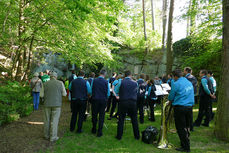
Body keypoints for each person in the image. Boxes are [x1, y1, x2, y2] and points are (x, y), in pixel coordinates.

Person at [168, 69, 194, 152]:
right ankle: (186, 142)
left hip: (180, 107)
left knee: (180, 127)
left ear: (175, 76)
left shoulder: (176, 83)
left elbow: (171, 96)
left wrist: (170, 101)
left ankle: (186, 147)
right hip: (189, 107)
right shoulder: (188, 82)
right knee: (187, 126)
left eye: (173, 77)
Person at [116, 70, 140, 140]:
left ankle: (119, 136)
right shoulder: (135, 83)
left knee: (121, 119)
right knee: (134, 119)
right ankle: (137, 136)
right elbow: (136, 92)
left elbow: (117, 91)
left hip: (123, 101)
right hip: (133, 102)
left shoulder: (121, 82)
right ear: (130, 75)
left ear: (125, 75)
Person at [43, 72, 67, 142]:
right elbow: (64, 94)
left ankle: (46, 135)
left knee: (47, 120)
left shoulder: (45, 84)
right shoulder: (60, 83)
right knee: (55, 120)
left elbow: (41, 95)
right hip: (57, 104)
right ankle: (53, 137)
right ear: (56, 77)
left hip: (47, 104)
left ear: (50, 77)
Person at [91, 70, 110, 137]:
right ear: (104, 75)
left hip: (95, 99)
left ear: (99, 73)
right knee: (102, 116)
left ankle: (94, 128)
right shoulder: (106, 82)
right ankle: (99, 131)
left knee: (94, 114)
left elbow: (91, 90)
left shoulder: (94, 80)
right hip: (103, 100)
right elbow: (108, 93)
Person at [184, 67, 198, 132]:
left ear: (186, 71)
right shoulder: (194, 77)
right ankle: (191, 127)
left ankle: (188, 126)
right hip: (192, 96)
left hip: (187, 96)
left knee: (187, 113)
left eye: (184, 70)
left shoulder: (186, 78)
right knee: (190, 112)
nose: (183, 71)